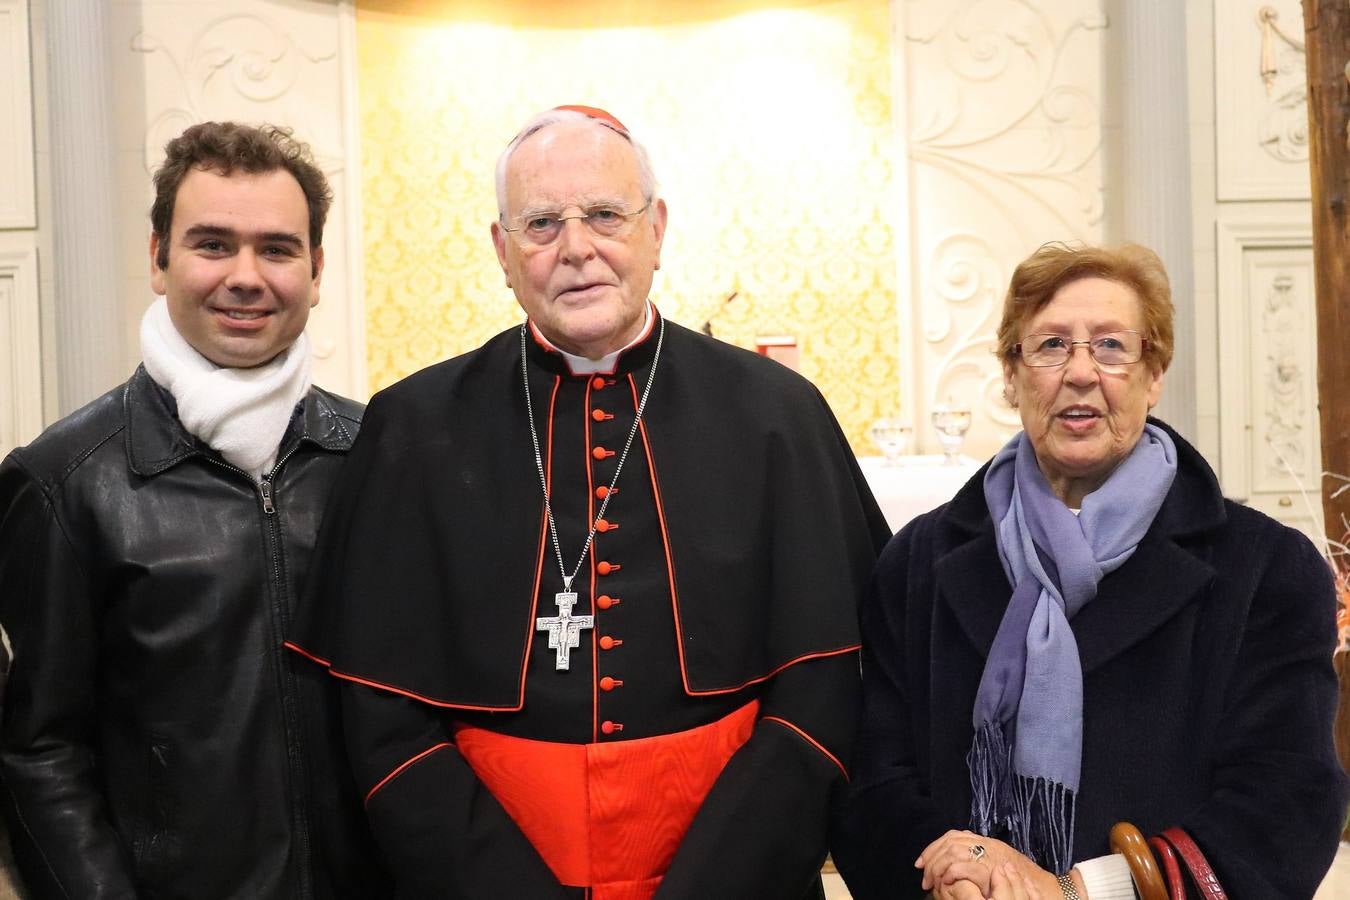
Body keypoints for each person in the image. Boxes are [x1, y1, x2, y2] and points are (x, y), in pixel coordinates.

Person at [287, 105, 889, 899]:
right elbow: (378, 714)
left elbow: (824, 683)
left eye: (606, 214)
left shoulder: (777, 414)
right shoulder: (414, 426)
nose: (576, 249)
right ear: (503, 252)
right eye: (541, 224)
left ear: (657, 229)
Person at [832, 242, 1350, 899]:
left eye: (1111, 346)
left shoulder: (1263, 569)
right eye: (1050, 345)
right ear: (1013, 375)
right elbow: (873, 777)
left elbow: (1287, 799)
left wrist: (1084, 890)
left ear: (1153, 373)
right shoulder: (919, 562)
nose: (1081, 373)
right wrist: (959, 871)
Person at [0, 122, 387, 899]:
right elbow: (40, 753)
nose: (246, 276)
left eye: (277, 249)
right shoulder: (63, 482)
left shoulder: (379, 455)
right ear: (157, 259)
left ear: (316, 271)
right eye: (212, 244)